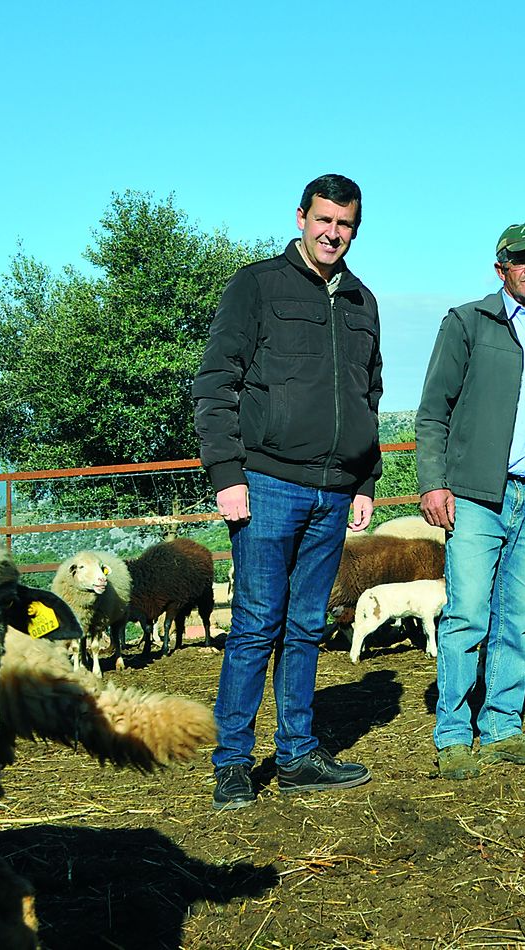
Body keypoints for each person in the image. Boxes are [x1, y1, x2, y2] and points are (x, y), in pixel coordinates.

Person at [193, 173, 379, 810]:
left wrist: (364, 480)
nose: (334, 234)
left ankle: (297, 753)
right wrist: (227, 474)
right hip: (267, 482)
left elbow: (367, 397)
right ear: (301, 218)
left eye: (346, 224)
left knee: (305, 627)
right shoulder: (257, 286)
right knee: (254, 625)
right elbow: (217, 381)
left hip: (334, 490)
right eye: (324, 220)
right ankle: (233, 762)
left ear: (356, 227)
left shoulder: (361, 300)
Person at [416, 222, 525, 780]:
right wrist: (432, 481)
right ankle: (452, 733)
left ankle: (501, 728)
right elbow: (432, 412)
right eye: (520, 260)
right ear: (501, 268)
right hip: (475, 495)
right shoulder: (468, 323)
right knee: (468, 612)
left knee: (518, 619)